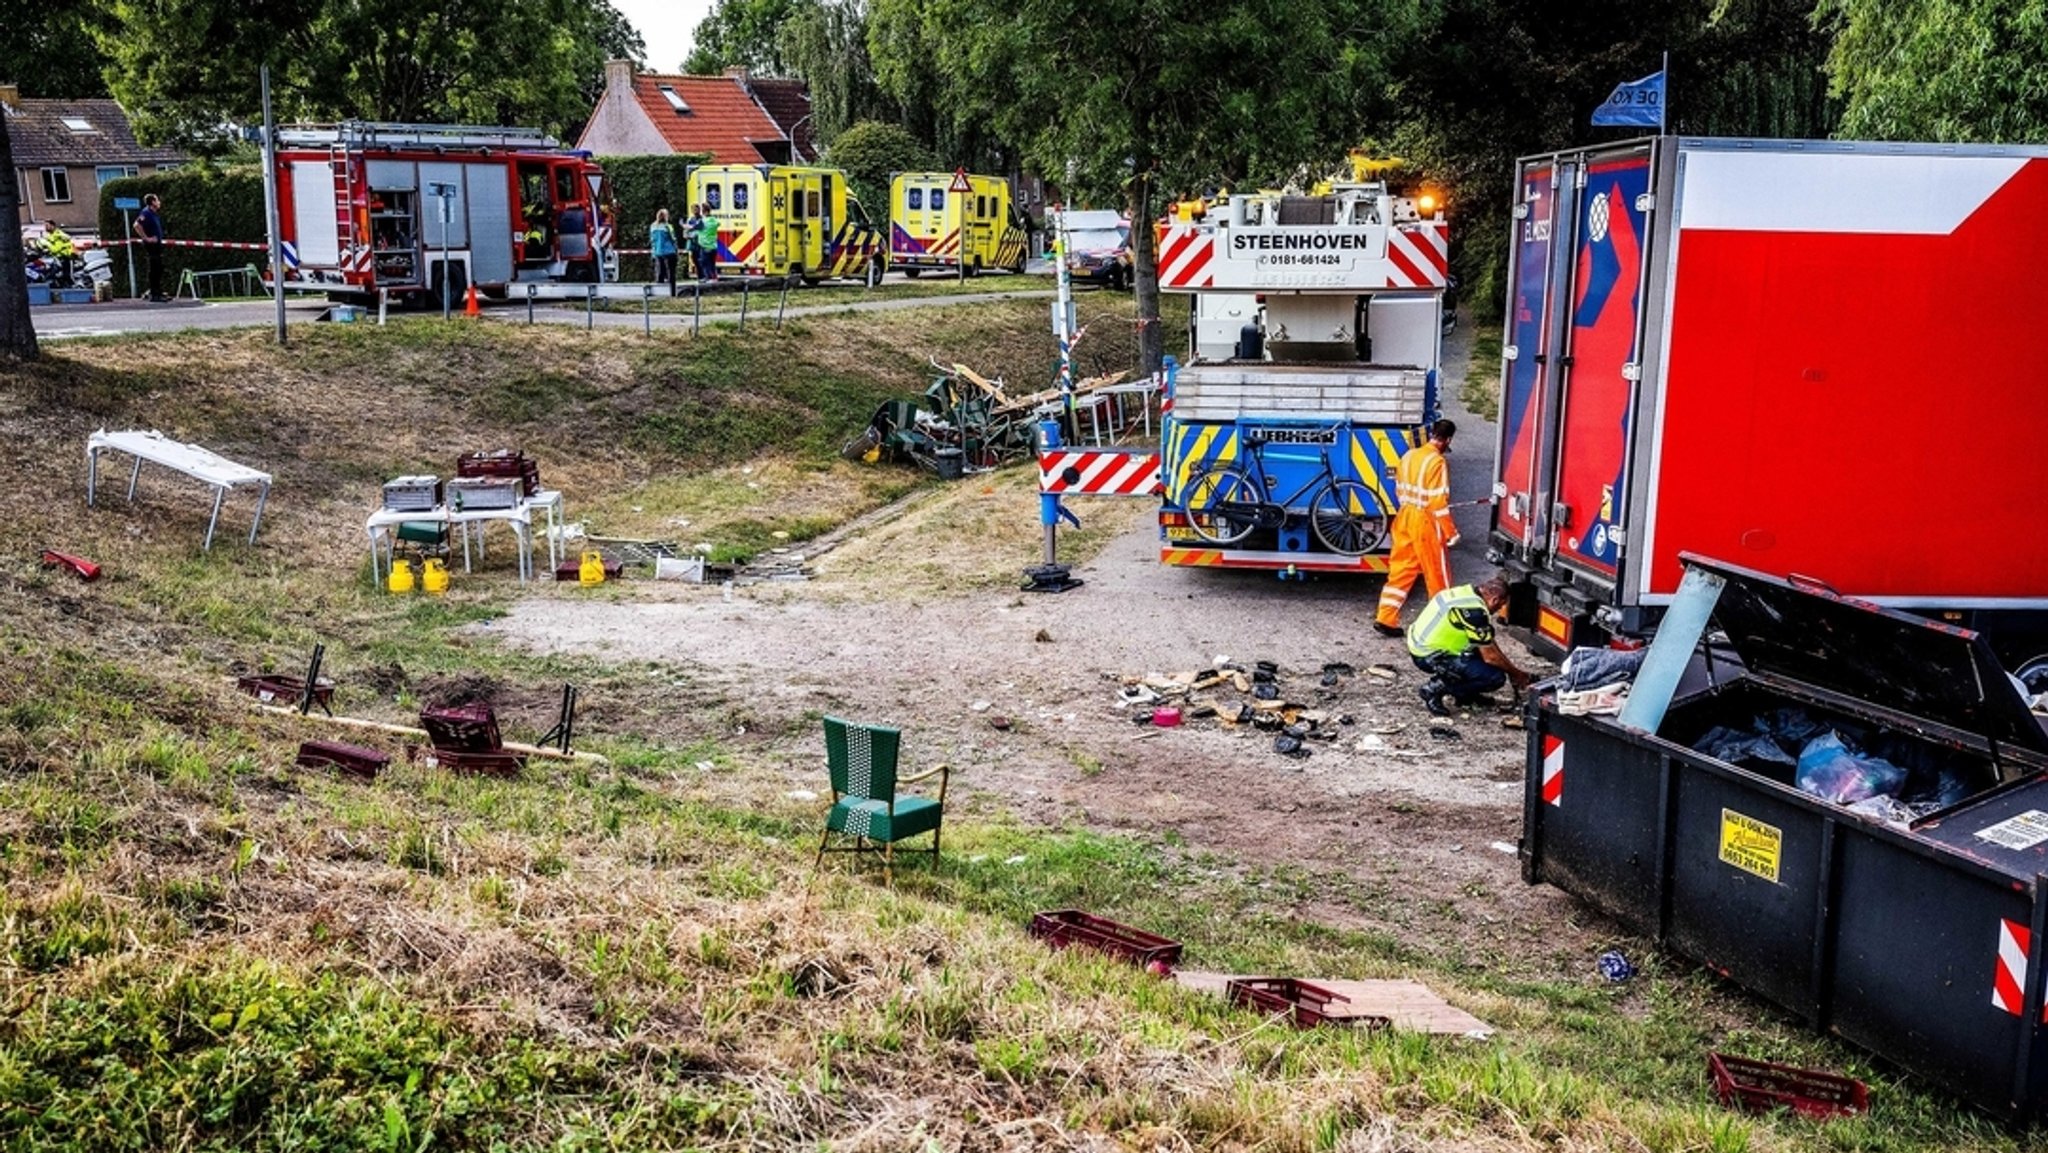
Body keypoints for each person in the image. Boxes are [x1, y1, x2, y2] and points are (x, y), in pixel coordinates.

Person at [1373, 418, 1459, 636]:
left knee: (1401, 571)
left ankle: (1385, 618)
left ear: (1432, 434)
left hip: (1404, 517)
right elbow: (1438, 503)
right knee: (1437, 575)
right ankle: (1442, 626)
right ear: (1447, 440)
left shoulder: (1409, 455)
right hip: (1425, 521)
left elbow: (1399, 487)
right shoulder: (1437, 462)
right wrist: (1451, 532)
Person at [1406, 576, 1532, 717]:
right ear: (1494, 600)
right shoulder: (1474, 612)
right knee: (1494, 677)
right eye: (1500, 605)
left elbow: (1486, 641)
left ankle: (1465, 697)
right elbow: (1490, 657)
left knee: (1481, 662)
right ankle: (1435, 688)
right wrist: (1516, 674)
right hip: (1428, 655)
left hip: (1421, 644)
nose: (1499, 610)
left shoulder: (1464, 592)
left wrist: (1511, 669)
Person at [133, 193, 166, 301]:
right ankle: (154, 293)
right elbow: (137, 225)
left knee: (159, 268)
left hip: (157, 245)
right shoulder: (146, 213)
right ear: (152, 202)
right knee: (154, 268)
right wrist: (146, 238)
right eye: (157, 200)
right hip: (151, 245)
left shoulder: (153, 213)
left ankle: (158, 290)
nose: (159, 202)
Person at [648, 208, 679, 294]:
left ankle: (660, 292)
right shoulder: (668, 226)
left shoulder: (653, 226)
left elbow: (652, 240)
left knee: (660, 271)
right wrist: (676, 249)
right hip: (669, 251)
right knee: (671, 273)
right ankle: (672, 292)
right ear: (666, 217)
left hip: (658, 251)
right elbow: (673, 239)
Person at [694, 206, 720, 281]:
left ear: (704, 211)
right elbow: (718, 224)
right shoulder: (714, 220)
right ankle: (714, 278)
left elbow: (693, 228)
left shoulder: (703, 221)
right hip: (713, 246)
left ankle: (708, 279)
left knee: (705, 264)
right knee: (712, 264)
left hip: (705, 246)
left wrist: (683, 225)